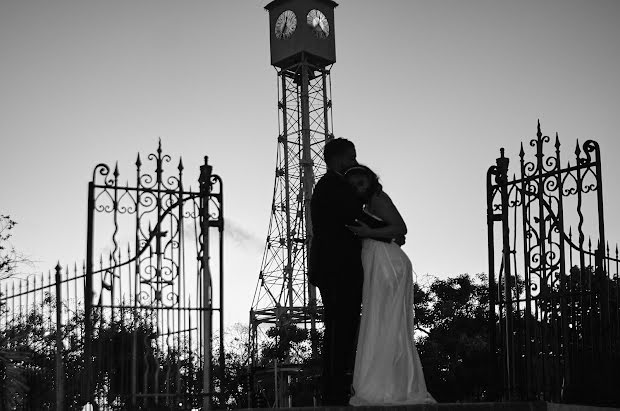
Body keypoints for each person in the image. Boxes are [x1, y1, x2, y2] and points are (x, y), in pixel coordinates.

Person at [344, 165, 436, 406]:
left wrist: (367, 232)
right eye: (353, 186)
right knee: (383, 322)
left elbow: (400, 228)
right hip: (380, 262)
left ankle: (392, 386)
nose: (358, 189)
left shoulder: (378, 199)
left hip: (388, 264)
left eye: (361, 183)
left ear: (371, 181)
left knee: (388, 322)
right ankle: (389, 383)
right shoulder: (366, 206)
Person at [308, 137, 363, 405]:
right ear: (340, 159)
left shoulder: (329, 186)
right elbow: (352, 217)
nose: (355, 162)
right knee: (342, 325)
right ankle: (335, 388)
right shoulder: (333, 186)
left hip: (332, 266)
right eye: (351, 157)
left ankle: (335, 385)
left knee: (339, 325)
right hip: (337, 267)